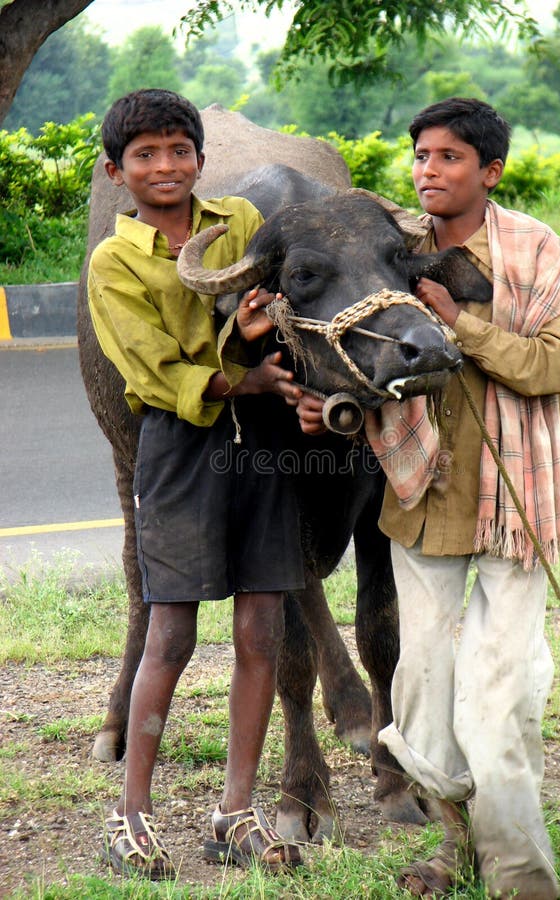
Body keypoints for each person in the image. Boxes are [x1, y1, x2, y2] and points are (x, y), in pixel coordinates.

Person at [297, 97, 560, 898]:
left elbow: (552, 369)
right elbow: (362, 362)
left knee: (497, 706)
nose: (429, 171)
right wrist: (326, 406)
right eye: (420, 156)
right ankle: (452, 846)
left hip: (517, 502)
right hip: (419, 495)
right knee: (422, 693)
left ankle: (520, 878)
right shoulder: (387, 256)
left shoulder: (538, 252)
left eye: (449, 158)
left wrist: (458, 324)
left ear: (489, 171)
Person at [87, 88, 306, 880]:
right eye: (145, 154)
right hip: (181, 446)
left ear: (201, 160)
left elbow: (277, 301)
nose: (165, 166)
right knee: (170, 632)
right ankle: (130, 816)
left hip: (265, 446)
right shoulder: (114, 262)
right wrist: (240, 365)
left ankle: (232, 812)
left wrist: (266, 344)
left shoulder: (238, 225)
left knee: (260, 629)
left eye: (179, 150)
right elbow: (154, 368)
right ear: (117, 171)